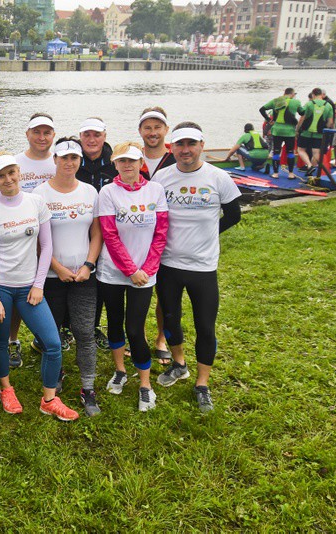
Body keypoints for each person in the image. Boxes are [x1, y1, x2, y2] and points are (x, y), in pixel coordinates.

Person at [0, 153, 78, 421]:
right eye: (1, 175)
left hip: (29, 288)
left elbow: (46, 247)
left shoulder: (36, 202)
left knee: (53, 343)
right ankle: (6, 388)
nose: (8, 179)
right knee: (0, 342)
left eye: (12, 172)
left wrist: (38, 284)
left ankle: (49, 399)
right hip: (1, 288)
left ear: (19, 172)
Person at [151, 123, 241, 413]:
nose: (186, 150)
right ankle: (179, 364)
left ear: (202, 145)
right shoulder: (162, 177)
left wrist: (208, 236)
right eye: (180, 144)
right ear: (171, 147)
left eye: (191, 144)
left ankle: (202, 384)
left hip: (203, 266)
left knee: (205, 325)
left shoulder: (218, 177)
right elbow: (152, 214)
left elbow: (234, 214)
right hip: (169, 263)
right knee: (171, 318)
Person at [32, 138, 103, 416]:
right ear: (55, 160)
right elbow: (37, 240)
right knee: (53, 335)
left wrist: (88, 264)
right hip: (51, 276)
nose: (69, 163)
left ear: (80, 161)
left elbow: (96, 233)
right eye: (64, 158)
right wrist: (57, 268)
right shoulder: (40, 194)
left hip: (85, 276)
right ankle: (57, 373)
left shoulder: (89, 192)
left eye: (74, 158)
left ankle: (88, 388)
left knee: (84, 332)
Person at [96, 142, 168, 412]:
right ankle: (120, 370)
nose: (127, 165)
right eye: (122, 161)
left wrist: (147, 270)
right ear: (115, 164)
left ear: (141, 164)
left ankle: (146, 385)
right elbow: (110, 235)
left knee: (135, 329)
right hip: (113, 273)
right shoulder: (108, 192)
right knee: (114, 322)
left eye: (133, 161)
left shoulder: (156, 190)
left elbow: (161, 233)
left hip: (145, 273)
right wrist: (130, 270)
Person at [5, 113, 58, 368]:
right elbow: (0, 200)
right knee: (18, 292)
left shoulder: (58, 163)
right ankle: (13, 340)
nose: (41, 137)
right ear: (27, 134)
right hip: (20, 239)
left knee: (52, 290)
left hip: (53, 232)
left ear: (53, 136)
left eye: (47, 132)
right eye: (36, 132)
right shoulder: (15, 162)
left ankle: (46, 336)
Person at [138, 107, 175, 364]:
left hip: (168, 237)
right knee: (136, 290)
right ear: (140, 130)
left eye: (157, 128)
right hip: (136, 237)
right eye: (148, 128)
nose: (153, 133)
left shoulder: (177, 159)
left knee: (165, 291)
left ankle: (161, 338)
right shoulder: (130, 157)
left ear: (166, 130)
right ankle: (136, 335)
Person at [76, 117, 116, 351]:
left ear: (104, 136)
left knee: (101, 280)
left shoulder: (114, 162)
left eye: (97, 135)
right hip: (79, 227)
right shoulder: (72, 160)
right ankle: (68, 326)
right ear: (80, 137)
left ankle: (94, 325)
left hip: (109, 231)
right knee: (79, 275)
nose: (91, 139)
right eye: (86, 135)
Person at [259, 87, 303, 179]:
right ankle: (290, 174)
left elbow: (262, 109)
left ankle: (275, 174)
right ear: (292, 94)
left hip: (277, 130)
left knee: (276, 152)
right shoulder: (296, 102)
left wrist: (268, 120)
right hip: (290, 131)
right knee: (290, 152)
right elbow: (302, 113)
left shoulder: (275, 101)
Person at [296, 87, 334, 175]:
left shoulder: (309, 104)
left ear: (313, 95)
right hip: (319, 134)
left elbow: (302, 118)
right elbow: (330, 123)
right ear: (322, 95)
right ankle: (312, 168)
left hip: (306, 132)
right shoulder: (328, 106)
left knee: (301, 150)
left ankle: (309, 165)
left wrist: (297, 129)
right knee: (316, 152)